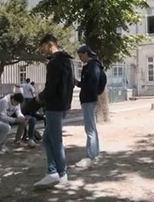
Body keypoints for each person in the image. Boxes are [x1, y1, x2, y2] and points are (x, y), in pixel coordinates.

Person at [33, 34, 75, 189]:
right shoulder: (68, 61)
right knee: (47, 140)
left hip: (53, 106)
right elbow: (71, 84)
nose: (41, 50)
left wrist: (39, 98)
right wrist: (67, 103)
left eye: (42, 46)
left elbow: (51, 88)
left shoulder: (54, 63)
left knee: (55, 141)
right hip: (62, 105)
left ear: (50, 44)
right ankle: (53, 172)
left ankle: (60, 174)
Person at [74, 45, 104, 168]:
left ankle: (91, 156)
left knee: (89, 129)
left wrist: (82, 85)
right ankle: (95, 153)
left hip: (88, 99)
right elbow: (93, 82)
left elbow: (91, 83)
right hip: (90, 98)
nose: (80, 58)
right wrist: (79, 83)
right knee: (92, 127)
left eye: (81, 56)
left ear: (86, 53)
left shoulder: (92, 66)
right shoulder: (95, 66)